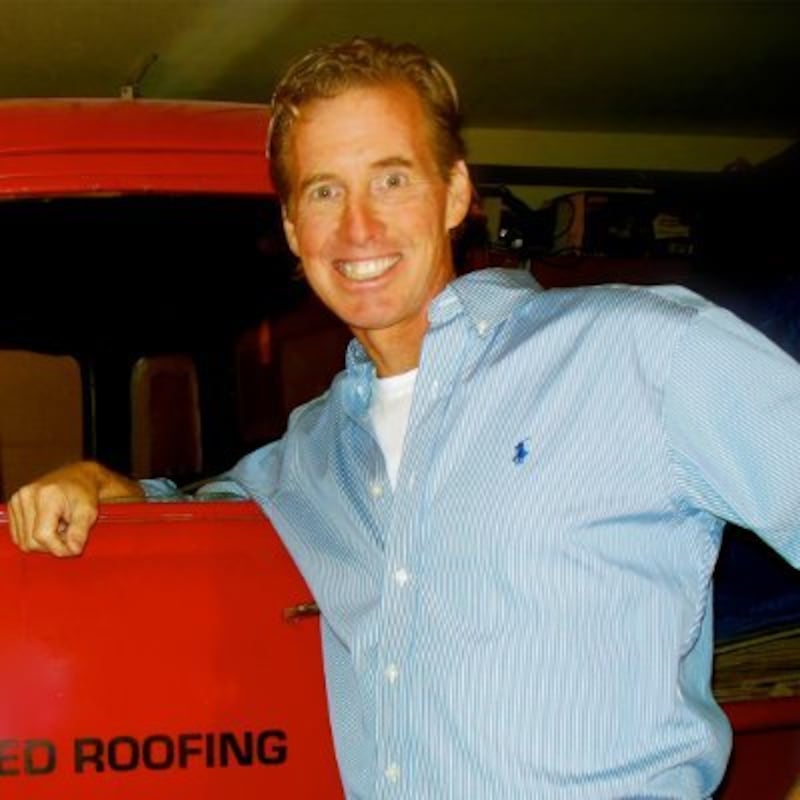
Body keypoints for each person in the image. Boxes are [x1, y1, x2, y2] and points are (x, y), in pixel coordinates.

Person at [7, 37, 800, 799]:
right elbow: (199, 510)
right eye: (324, 191)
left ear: (455, 194)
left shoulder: (639, 350)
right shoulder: (316, 449)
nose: (359, 228)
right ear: (293, 229)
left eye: (391, 179)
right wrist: (96, 482)